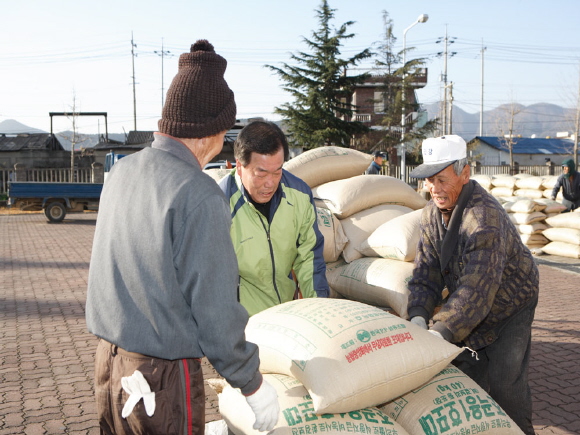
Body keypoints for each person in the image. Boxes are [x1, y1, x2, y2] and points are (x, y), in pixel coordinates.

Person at [85, 40, 279, 435]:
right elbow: (215, 313)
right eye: (226, 128)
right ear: (212, 130)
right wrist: (252, 384)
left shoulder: (122, 173)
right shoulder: (198, 193)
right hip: (160, 379)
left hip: (109, 368)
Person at [406, 135, 539, 435]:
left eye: (441, 179)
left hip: (511, 305)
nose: (434, 189)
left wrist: (441, 331)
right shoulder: (430, 214)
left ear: (465, 174)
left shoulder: (483, 217)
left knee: (506, 383)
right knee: (468, 380)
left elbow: (478, 286)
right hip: (470, 309)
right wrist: (416, 315)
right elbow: (426, 269)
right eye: (429, 180)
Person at [219, 120, 329, 316]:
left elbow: (309, 257)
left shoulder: (299, 195)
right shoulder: (220, 202)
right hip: (242, 324)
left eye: (277, 172)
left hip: (285, 314)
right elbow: (212, 277)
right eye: (261, 174)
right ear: (240, 166)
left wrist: (320, 309)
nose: (270, 183)